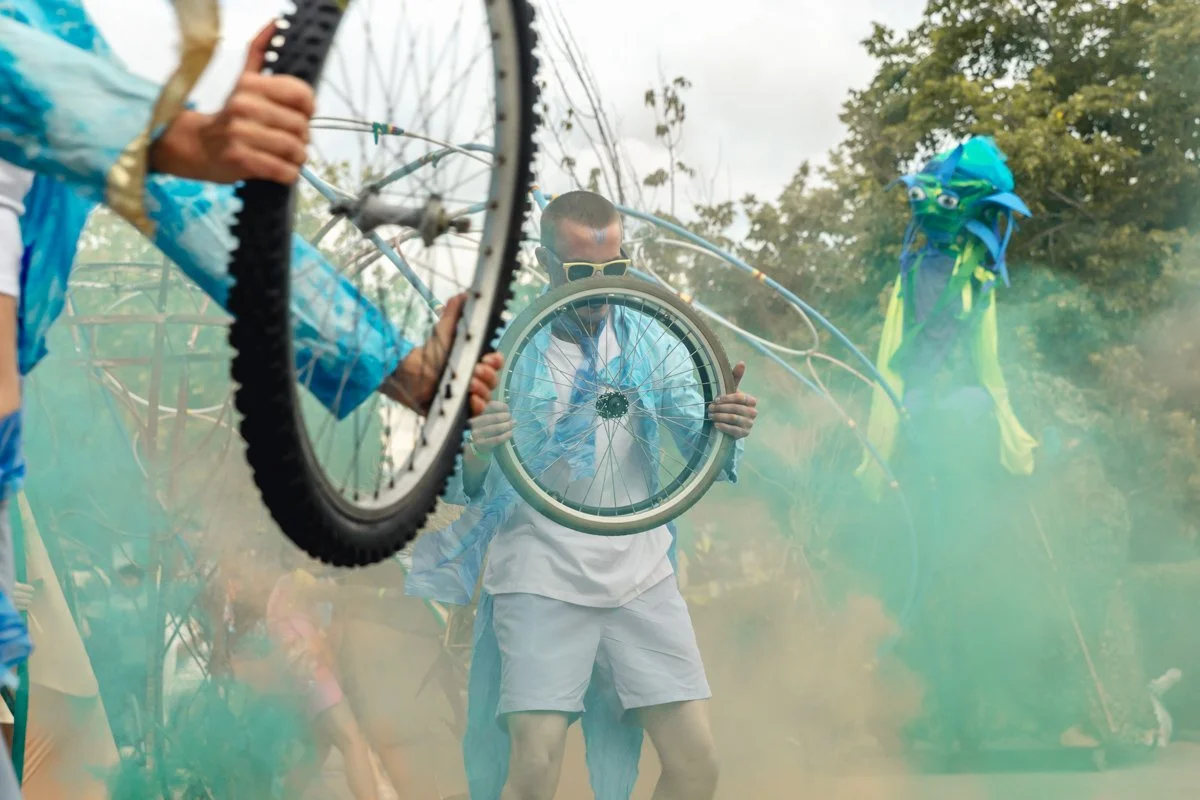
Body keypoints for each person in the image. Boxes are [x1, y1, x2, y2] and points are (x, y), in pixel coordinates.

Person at [406, 190, 761, 800]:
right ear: (546, 264)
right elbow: (460, 477)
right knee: (535, 767)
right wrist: (479, 445)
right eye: (579, 273)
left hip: (641, 574)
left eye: (613, 270)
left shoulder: (654, 338)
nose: (598, 289)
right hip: (540, 573)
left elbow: (695, 431)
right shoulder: (503, 349)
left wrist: (725, 423)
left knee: (697, 764)